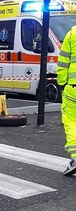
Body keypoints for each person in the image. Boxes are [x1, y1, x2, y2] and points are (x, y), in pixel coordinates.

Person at [57, 25, 76, 175]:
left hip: (73, 89)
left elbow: (63, 62)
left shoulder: (72, 33)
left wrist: (62, 83)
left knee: (71, 122)